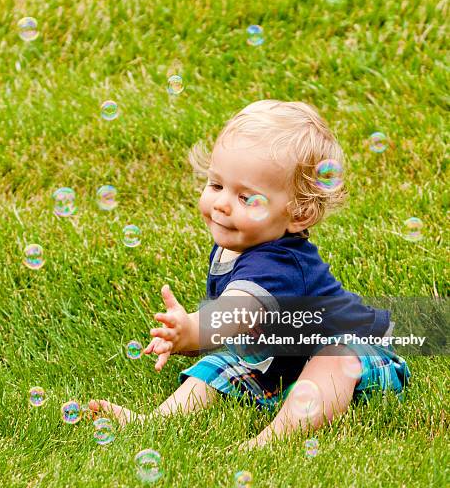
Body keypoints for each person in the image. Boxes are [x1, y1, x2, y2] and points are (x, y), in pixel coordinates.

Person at [89, 100, 411, 449]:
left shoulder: (279, 265)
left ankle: (271, 440)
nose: (222, 204)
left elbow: (232, 314)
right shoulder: (237, 242)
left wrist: (192, 330)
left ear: (298, 214)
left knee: (333, 361)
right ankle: (154, 422)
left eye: (246, 197)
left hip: (357, 350)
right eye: (216, 186)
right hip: (284, 354)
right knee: (221, 362)